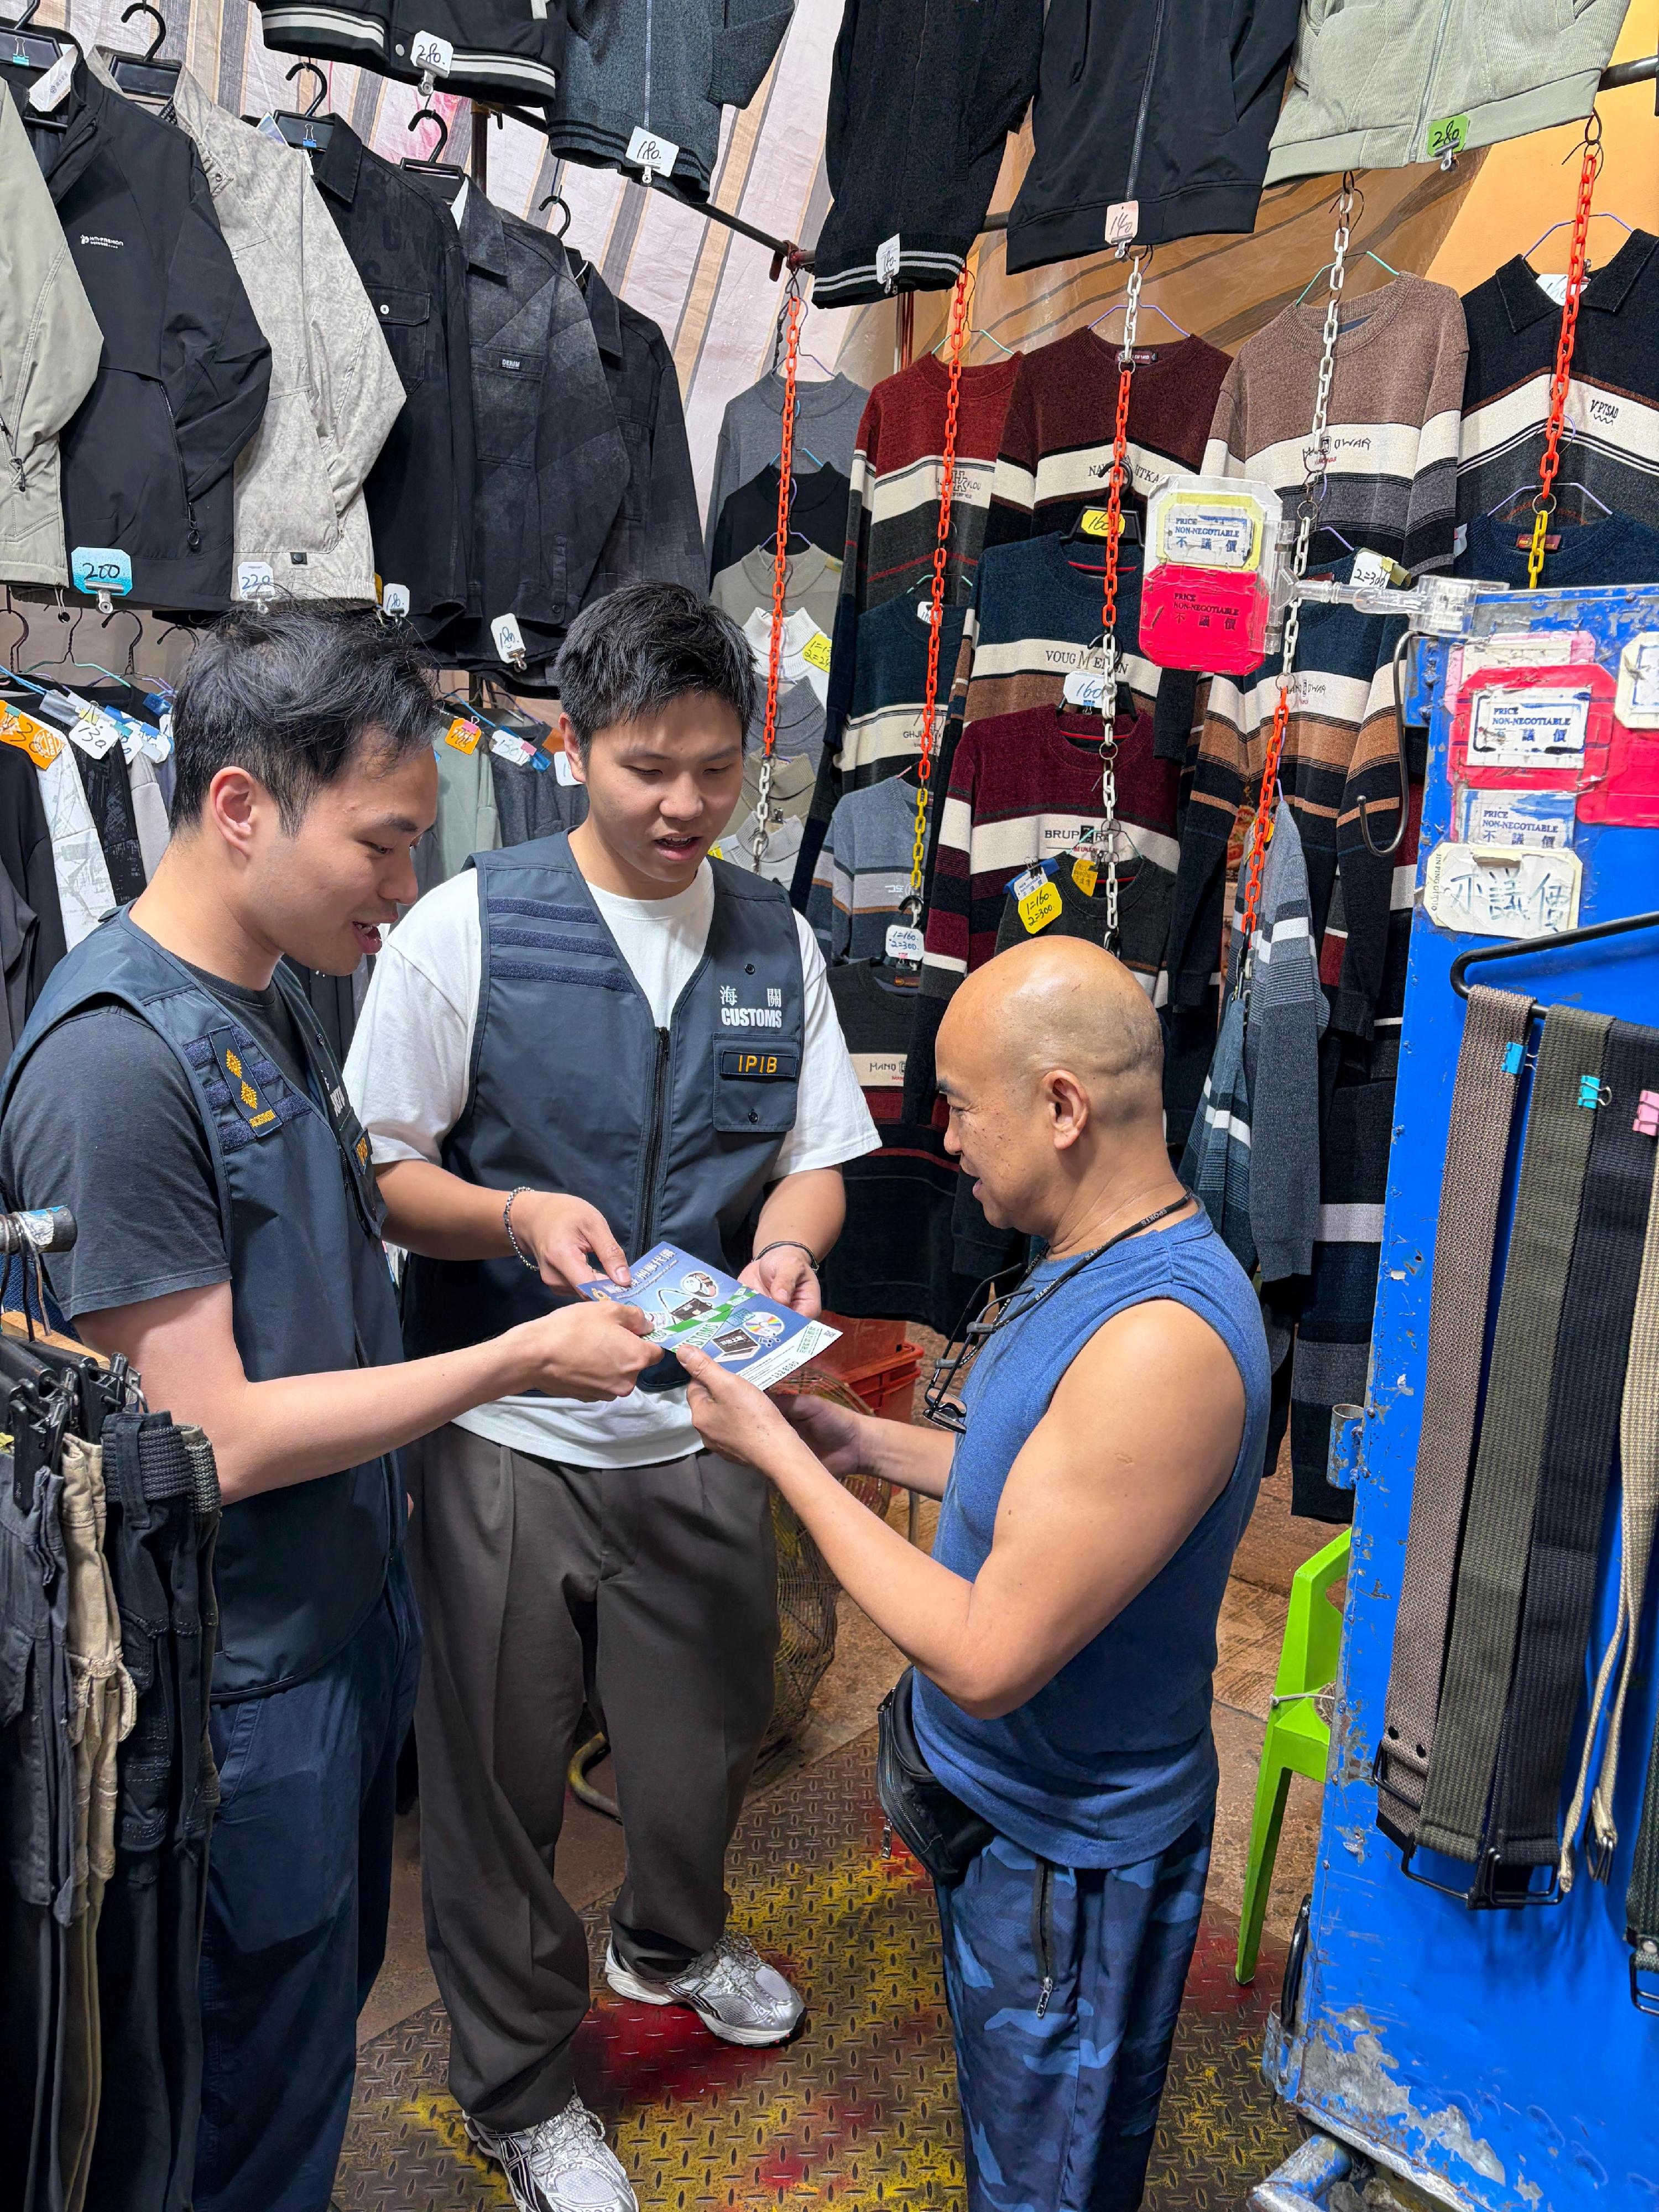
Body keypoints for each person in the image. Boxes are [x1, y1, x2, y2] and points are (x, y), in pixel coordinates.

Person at [0, 605, 660, 2212]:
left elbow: (338, 1178)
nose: (405, 888)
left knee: (309, 2047)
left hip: (331, 1638)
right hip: (225, 1697)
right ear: (241, 809)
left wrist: (507, 1218)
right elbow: (206, 1433)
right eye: (379, 844)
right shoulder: (115, 1068)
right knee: (227, 2105)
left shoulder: (275, 986)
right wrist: (512, 1360)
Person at [342, 581, 878, 2212]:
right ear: (571, 747)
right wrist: (508, 1218)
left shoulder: (777, 940)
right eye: (648, 766)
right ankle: (518, 2089)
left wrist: (786, 1252)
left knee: (699, 1741)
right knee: (501, 1783)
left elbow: (819, 1157)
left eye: (716, 769)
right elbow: (380, 1166)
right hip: (509, 1429)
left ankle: (670, 1943)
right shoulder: (472, 921)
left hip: (707, 1428)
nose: (684, 806)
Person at [678, 935, 1271, 2212]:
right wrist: (858, 1437)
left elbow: (991, 1652)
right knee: (1012, 2139)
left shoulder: (1161, 1341)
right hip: (1008, 1830)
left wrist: (781, 1453)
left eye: (959, 1105)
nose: (945, 1139)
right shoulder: (1082, 1265)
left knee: (1047, 2181)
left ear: (1061, 1107)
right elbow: (1035, 1483)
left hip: (1072, 1868)